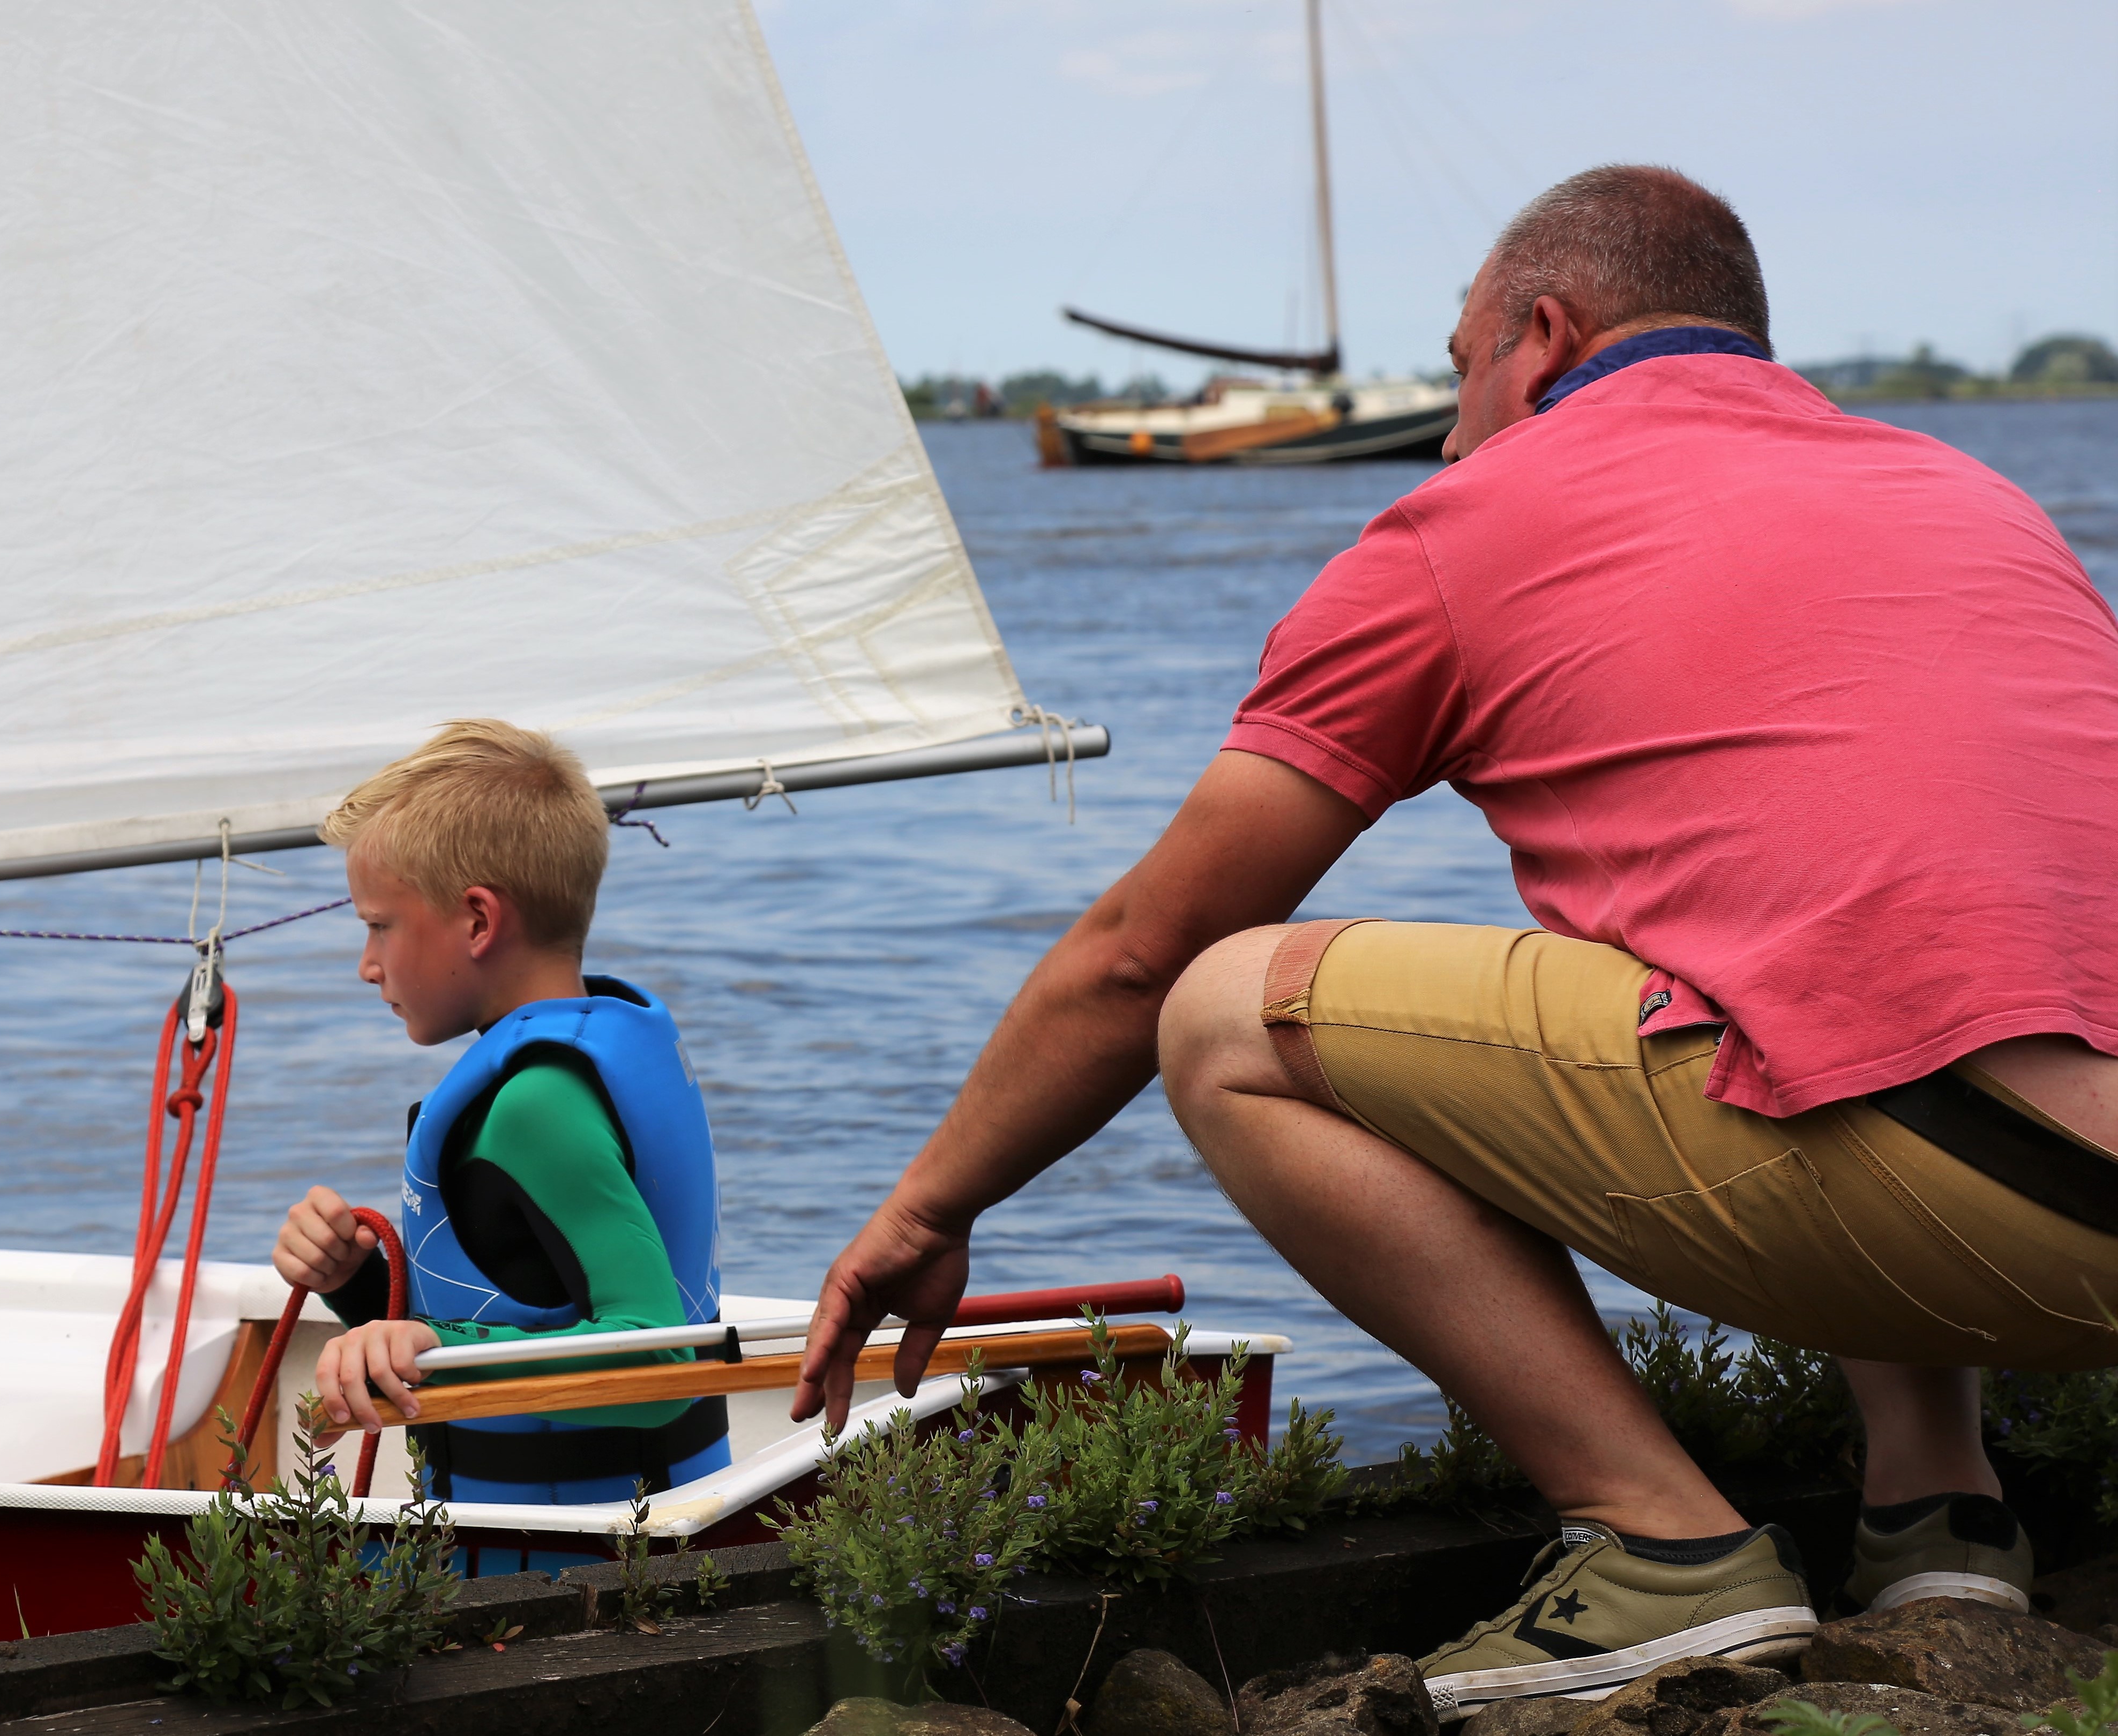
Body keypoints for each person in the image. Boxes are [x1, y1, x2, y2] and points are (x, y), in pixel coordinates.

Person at [791, 164, 2118, 1720]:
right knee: (1839, 932)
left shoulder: (1474, 520)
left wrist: (929, 1206)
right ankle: (1942, 1514)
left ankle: (1664, 1548)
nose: (1445, 432)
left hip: (1973, 1206)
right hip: (2077, 1206)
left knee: (1225, 1015)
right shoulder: (1965, 492)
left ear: (1541, 340)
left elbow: (1143, 951)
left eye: (1456, 370)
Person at [268, 719, 730, 1538]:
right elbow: (530, 1302)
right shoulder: (602, 1043)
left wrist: (429, 1343)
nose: (367, 965)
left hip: (576, 1563)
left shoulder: (536, 1106)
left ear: (478, 921)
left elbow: (658, 1363)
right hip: (634, 1531)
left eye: (379, 925)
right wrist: (358, 1285)